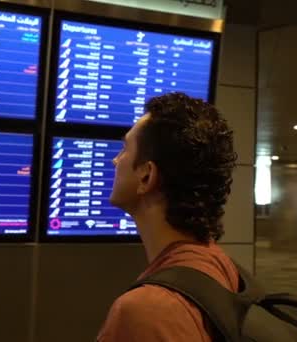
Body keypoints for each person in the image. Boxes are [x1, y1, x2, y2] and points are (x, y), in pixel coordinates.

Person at [97, 92, 239, 341]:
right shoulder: (221, 264)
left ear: (146, 176)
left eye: (125, 149)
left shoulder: (145, 312)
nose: (115, 160)